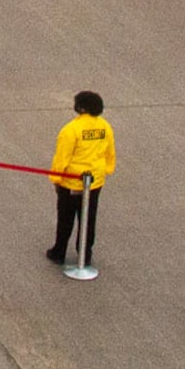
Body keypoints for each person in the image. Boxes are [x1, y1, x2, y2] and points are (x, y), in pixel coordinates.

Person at [47, 90, 115, 266]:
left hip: (71, 182)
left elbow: (62, 157)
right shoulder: (105, 127)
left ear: (81, 107)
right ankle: (85, 253)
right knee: (88, 217)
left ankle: (59, 251)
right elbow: (110, 153)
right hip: (95, 181)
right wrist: (106, 170)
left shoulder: (71, 130)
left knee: (66, 218)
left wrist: (56, 178)